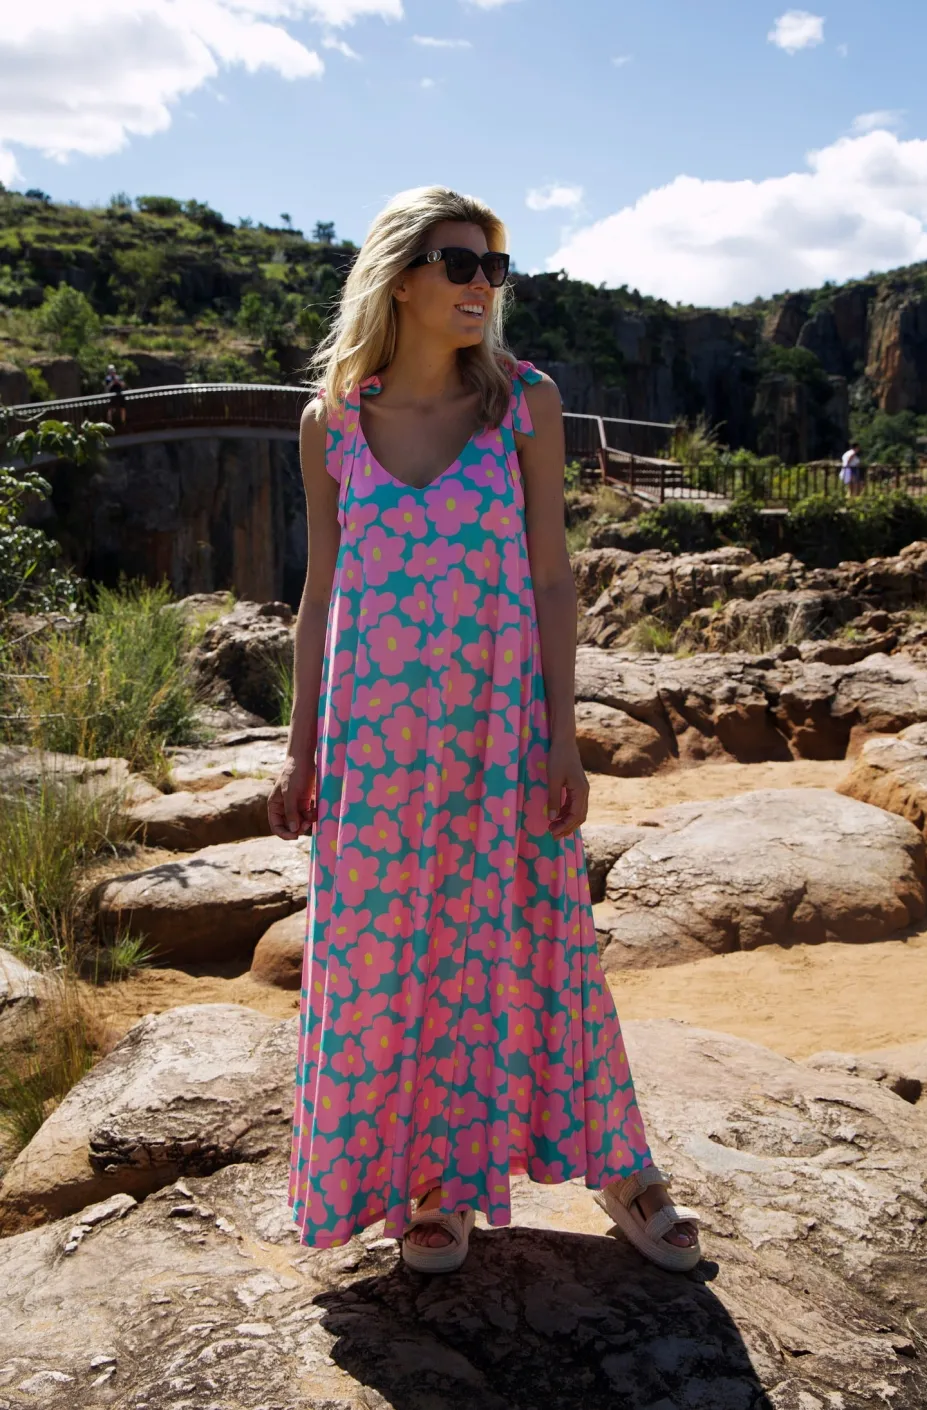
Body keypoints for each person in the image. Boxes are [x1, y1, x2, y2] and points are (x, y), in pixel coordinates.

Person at [271, 186, 701, 1276]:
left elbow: (553, 576)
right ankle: (436, 1180)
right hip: (373, 750)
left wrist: (562, 735)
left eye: (493, 268)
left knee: (537, 943)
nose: (482, 287)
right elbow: (319, 596)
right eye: (460, 265)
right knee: (383, 963)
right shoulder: (331, 422)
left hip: (496, 732)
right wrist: (299, 750)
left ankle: (621, 1167)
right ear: (401, 278)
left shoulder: (524, 403)